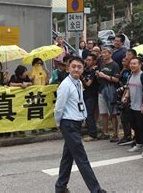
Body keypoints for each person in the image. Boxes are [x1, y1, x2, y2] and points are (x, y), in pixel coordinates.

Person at [54, 56, 105, 193]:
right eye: (73, 66)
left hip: (75, 123)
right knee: (82, 158)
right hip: (68, 124)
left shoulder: (77, 82)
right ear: (68, 68)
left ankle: (60, 187)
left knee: (68, 157)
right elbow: (59, 107)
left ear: (83, 69)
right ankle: (96, 190)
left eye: (79, 67)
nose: (76, 69)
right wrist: (59, 123)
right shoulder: (65, 85)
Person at [123, 57, 143, 157]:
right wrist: (126, 96)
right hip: (133, 106)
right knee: (135, 126)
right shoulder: (130, 75)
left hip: (142, 106)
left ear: (140, 65)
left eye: (134, 64)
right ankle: (138, 144)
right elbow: (129, 88)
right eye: (131, 63)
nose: (132, 65)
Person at [96, 47, 120, 142]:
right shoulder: (102, 64)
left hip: (111, 90)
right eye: (102, 53)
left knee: (113, 113)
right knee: (103, 113)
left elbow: (116, 79)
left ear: (110, 54)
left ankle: (115, 133)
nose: (103, 54)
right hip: (101, 90)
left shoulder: (114, 65)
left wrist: (104, 76)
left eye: (105, 53)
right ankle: (105, 132)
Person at [81, 53, 99, 141]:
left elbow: (88, 83)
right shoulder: (86, 70)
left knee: (89, 114)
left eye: (89, 60)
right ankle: (90, 132)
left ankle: (92, 134)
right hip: (85, 95)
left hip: (92, 95)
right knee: (86, 114)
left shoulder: (94, 71)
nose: (87, 61)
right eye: (86, 60)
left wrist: (82, 77)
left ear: (94, 61)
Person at [116, 57, 133, 146]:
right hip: (124, 95)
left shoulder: (137, 74)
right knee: (124, 117)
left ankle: (133, 136)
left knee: (132, 119)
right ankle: (127, 135)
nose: (124, 62)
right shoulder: (125, 72)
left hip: (132, 98)